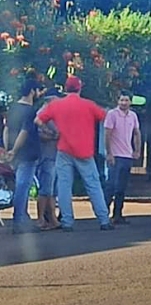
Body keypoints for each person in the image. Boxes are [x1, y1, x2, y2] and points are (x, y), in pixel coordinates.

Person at [36, 76, 112, 232]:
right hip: (85, 151)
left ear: (65, 88)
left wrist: (51, 132)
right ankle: (104, 220)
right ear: (79, 88)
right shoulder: (88, 105)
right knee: (94, 185)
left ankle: (67, 222)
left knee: (64, 186)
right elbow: (105, 117)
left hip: (64, 149)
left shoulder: (56, 105)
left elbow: (38, 120)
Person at [2, 78, 43, 234]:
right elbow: (24, 132)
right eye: (38, 90)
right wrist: (15, 150)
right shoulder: (30, 111)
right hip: (27, 153)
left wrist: (8, 149)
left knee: (20, 185)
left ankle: (23, 217)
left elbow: (6, 129)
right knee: (22, 186)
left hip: (14, 153)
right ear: (32, 91)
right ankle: (19, 220)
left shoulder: (12, 108)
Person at [104, 90, 141, 225]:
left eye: (126, 100)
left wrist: (137, 150)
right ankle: (103, 215)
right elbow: (107, 134)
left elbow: (137, 133)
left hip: (127, 155)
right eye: (121, 100)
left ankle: (117, 214)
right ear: (117, 101)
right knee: (111, 186)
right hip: (115, 156)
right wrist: (109, 153)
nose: (123, 103)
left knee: (121, 187)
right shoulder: (112, 114)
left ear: (130, 102)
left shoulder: (133, 116)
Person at [34, 86, 63, 230]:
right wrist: (53, 136)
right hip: (46, 156)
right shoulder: (42, 113)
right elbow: (38, 134)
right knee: (45, 189)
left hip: (54, 155)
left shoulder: (54, 114)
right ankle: (40, 219)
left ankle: (52, 219)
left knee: (51, 190)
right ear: (51, 99)